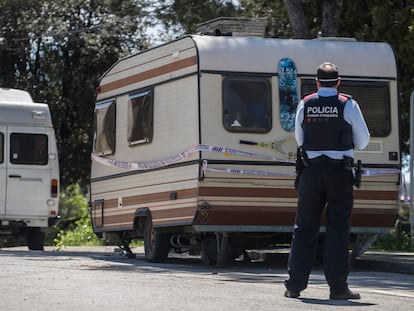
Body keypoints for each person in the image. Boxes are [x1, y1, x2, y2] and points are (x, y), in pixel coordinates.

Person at [284, 62, 370, 300]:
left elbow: (300, 139)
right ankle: (338, 288)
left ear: (317, 82)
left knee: (304, 228)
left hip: (310, 173)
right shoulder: (348, 104)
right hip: (339, 173)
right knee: (338, 230)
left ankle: (294, 285)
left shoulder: (306, 103)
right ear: (339, 82)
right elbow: (362, 141)